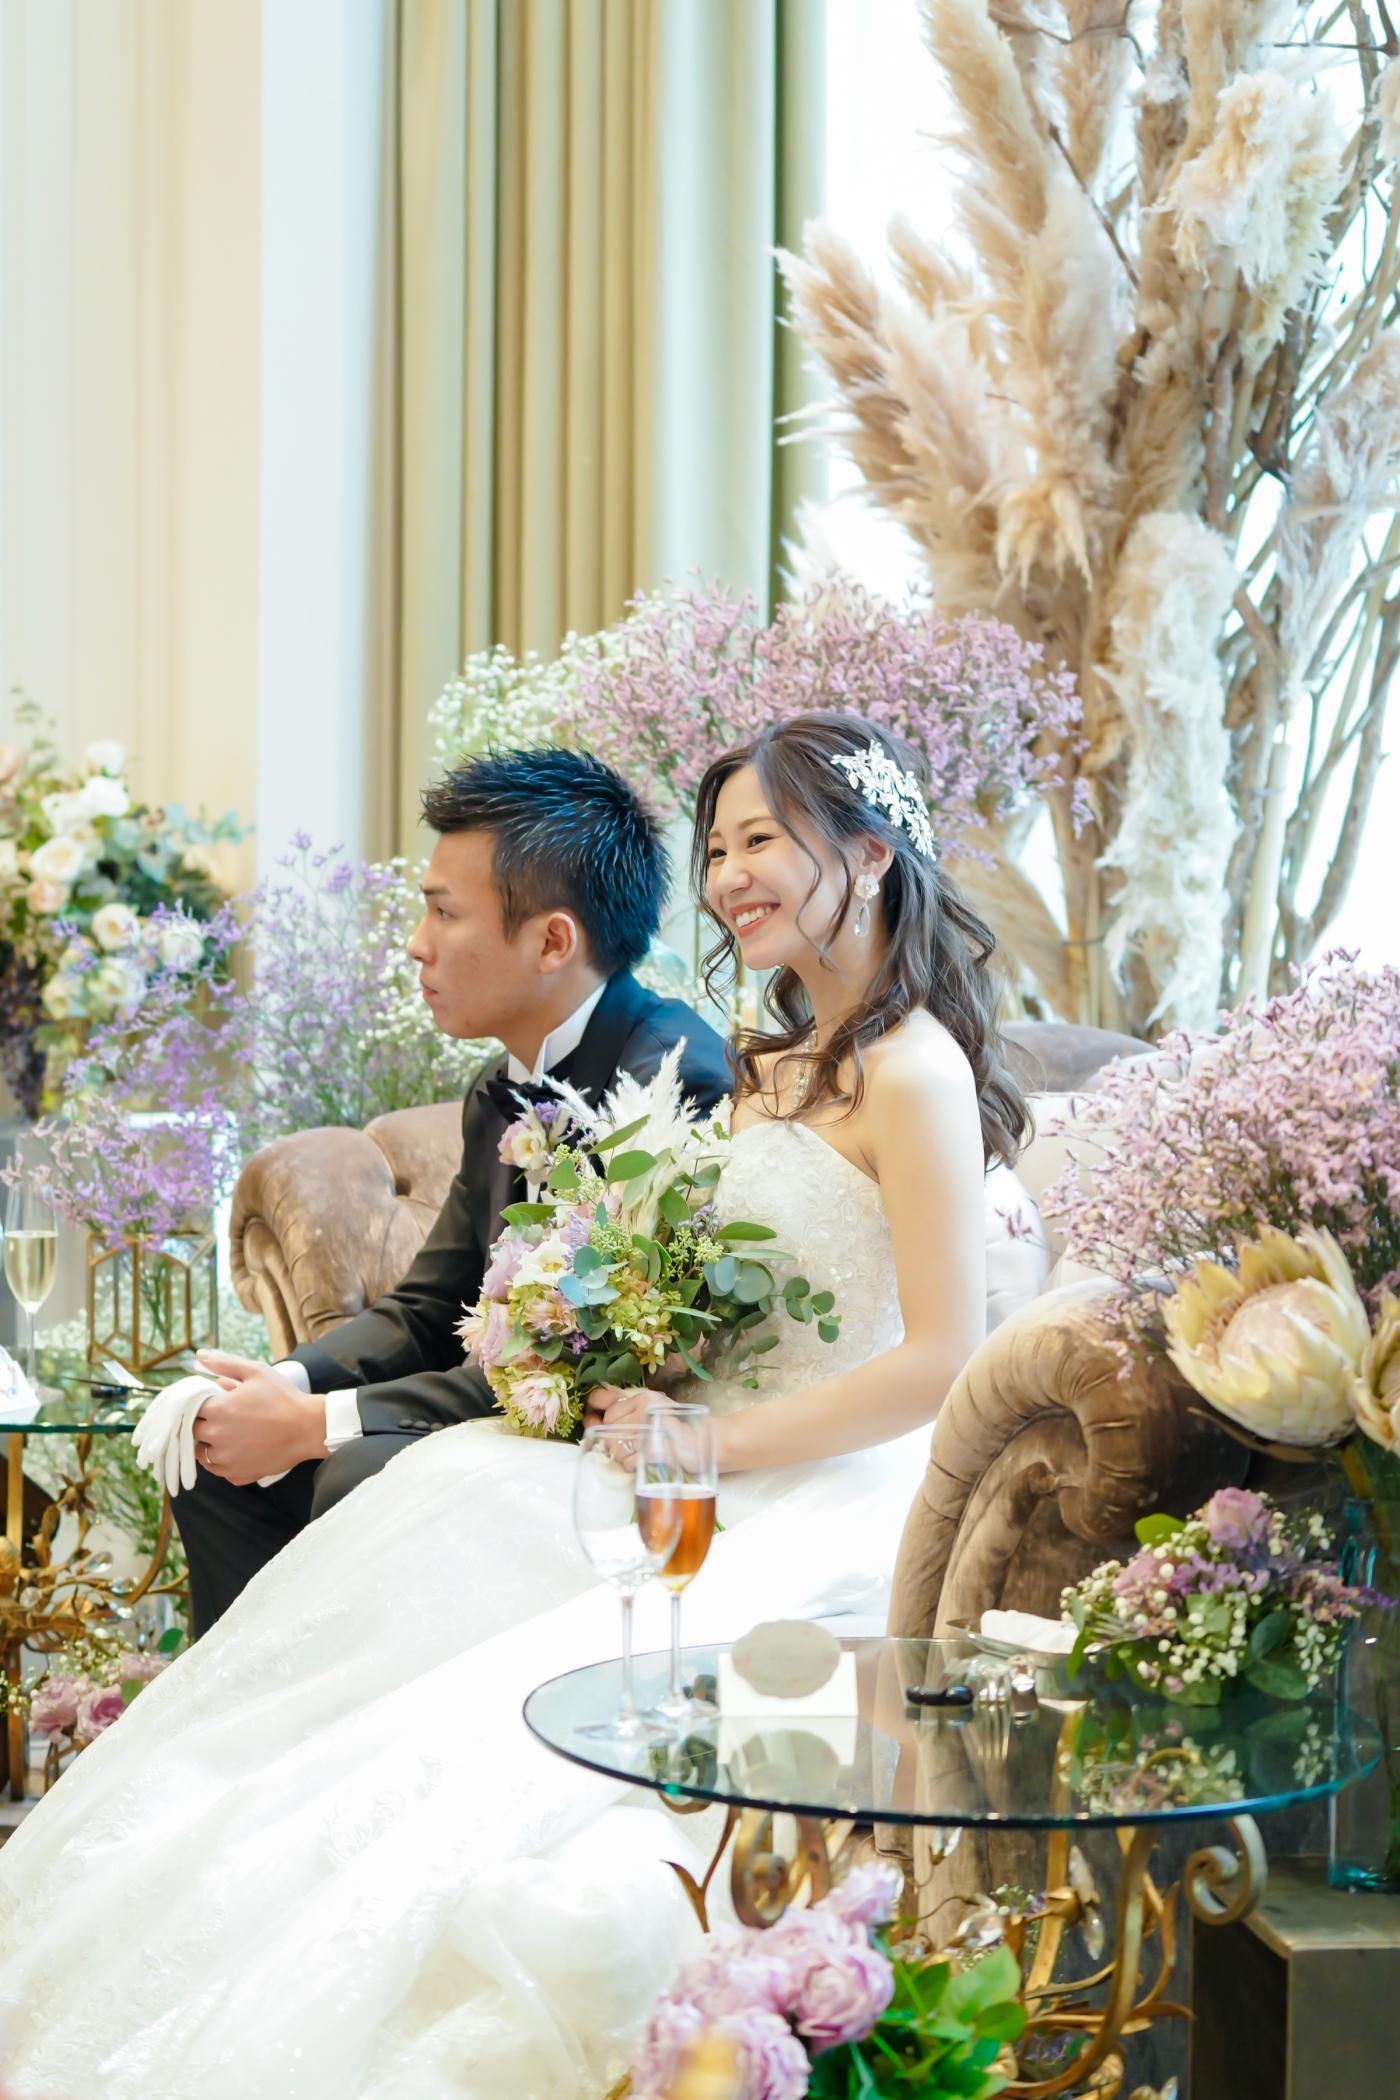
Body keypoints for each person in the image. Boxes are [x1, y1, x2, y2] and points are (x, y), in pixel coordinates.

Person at [0, 713, 1029, 2100]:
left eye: (761, 842)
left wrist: (704, 1440)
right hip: (686, 1441)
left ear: (871, 853)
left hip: (826, 1475)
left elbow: (941, 1359)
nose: (728, 877)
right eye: (717, 848)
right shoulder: (772, 1065)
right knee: (442, 1507)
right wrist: (638, 1372)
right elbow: (609, 1298)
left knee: (462, 1556)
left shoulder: (911, 1068)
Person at [172, 746, 731, 1633]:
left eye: (443, 912)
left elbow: (579, 1365)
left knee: (360, 1470)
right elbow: (429, 1306)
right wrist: (281, 1382)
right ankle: (249, 1707)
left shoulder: (671, 1086)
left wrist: (319, 1422)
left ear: (553, 941)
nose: (417, 943)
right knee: (207, 1454)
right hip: (517, 1408)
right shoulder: (499, 1087)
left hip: (614, 1431)